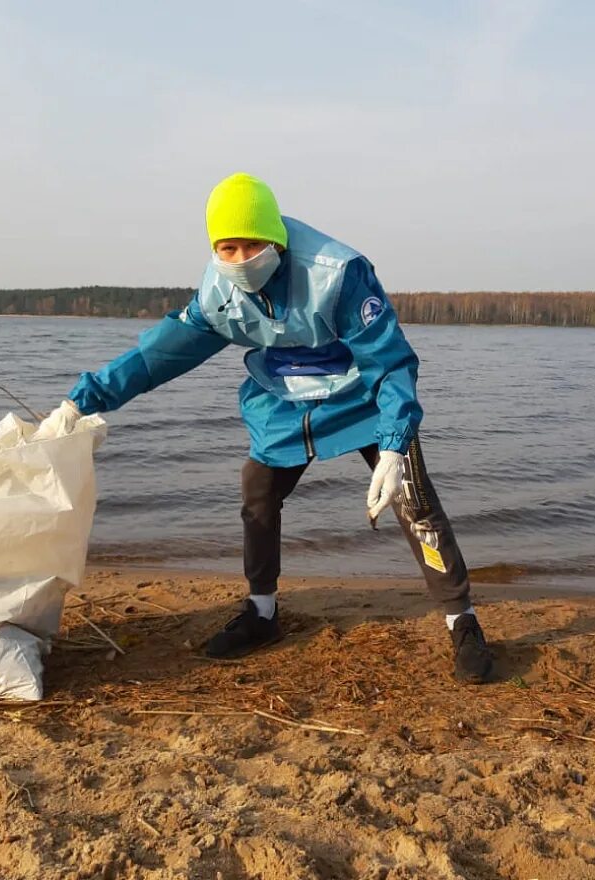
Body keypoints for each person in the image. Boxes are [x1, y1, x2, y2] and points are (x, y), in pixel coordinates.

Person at [68, 173, 492, 683]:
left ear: (276, 238)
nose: (241, 259)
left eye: (252, 244)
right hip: (287, 399)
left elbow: (391, 361)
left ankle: (460, 619)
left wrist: (396, 444)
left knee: (414, 501)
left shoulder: (338, 273)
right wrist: (85, 400)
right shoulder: (220, 290)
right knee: (258, 489)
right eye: (227, 247)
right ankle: (262, 611)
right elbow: (161, 353)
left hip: (363, 394)